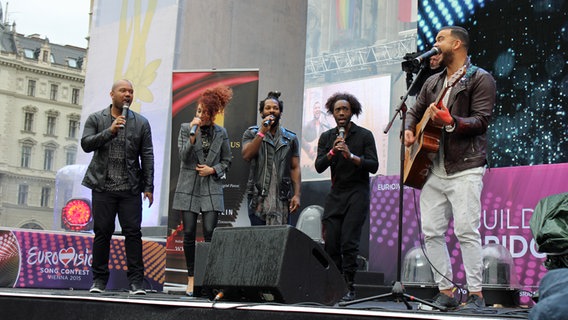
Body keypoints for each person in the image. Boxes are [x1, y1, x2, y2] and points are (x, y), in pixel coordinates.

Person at [404, 26, 496, 310]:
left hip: (466, 166)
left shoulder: (479, 78)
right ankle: (445, 290)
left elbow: (481, 120)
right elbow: (413, 111)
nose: (435, 44)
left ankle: (476, 294)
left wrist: (451, 121)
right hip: (433, 166)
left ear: (457, 44)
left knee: (466, 231)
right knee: (431, 231)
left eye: (440, 39)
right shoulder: (432, 82)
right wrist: (409, 130)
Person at [81, 79, 154, 295]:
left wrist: (148, 186)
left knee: (133, 234)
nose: (128, 94)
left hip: (130, 188)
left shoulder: (141, 122)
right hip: (103, 187)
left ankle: (136, 283)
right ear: (112, 94)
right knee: (102, 233)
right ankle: (99, 281)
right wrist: (109, 131)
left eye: (131, 91)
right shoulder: (96, 118)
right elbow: (86, 144)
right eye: (123, 91)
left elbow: (147, 155)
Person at [314, 92, 378, 302]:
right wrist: (332, 152)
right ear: (332, 113)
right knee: (331, 242)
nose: (341, 113)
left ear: (352, 112)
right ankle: (335, 284)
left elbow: (373, 165)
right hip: (336, 194)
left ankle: (350, 286)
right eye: (337, 110)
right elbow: (319, 166)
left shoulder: (365, 135)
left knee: (349, 243)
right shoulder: (327, 137)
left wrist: (351, 156)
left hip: (357, 193)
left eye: (345, 109)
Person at [171, 85, 233, 296]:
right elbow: (184, 157)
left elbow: (227, 160)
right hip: (188, 185)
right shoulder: (184, 128)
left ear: (212, 113)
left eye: (205, 111)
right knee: (188, 233)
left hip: (211, 186)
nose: (201, 115)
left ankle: (209, 278)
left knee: (210, 233)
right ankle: (191, 277)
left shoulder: (221, 133)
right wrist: (192, 136)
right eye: (199, 110)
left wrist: (212, 169)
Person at [242, 91, 301, 226]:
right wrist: (262, 132)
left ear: (280, 112)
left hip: (282, 198)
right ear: (262, 112)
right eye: (267, 108)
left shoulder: (290, 138)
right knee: (259, 242)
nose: (272, 111)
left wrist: (297, 195)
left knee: (280, 242)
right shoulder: (251, 133)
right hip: (258, 199)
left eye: (275, 108)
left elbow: (295, 167)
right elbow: (247, 155)